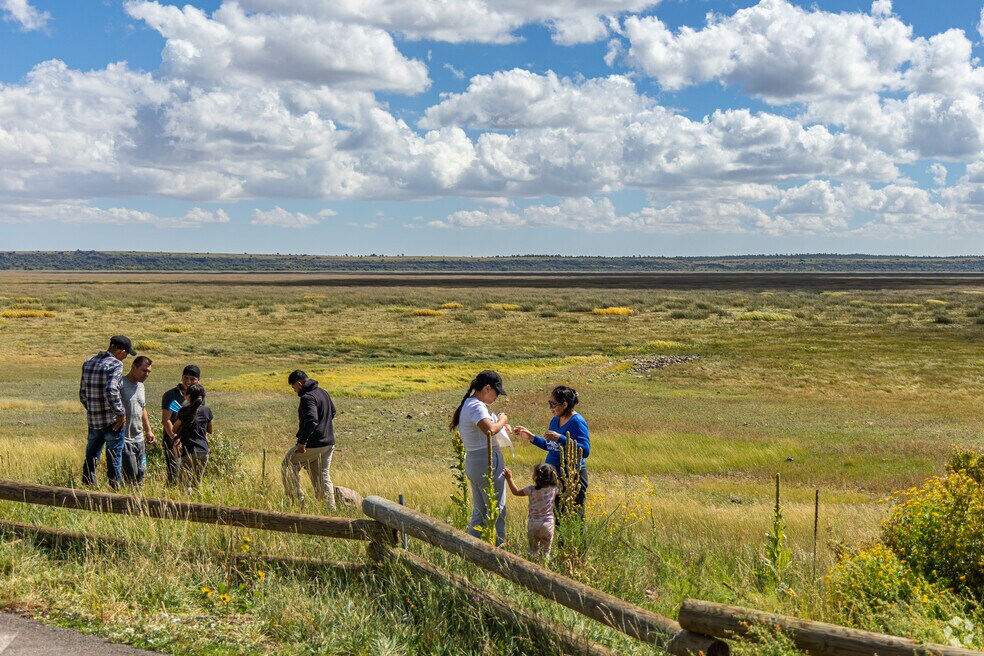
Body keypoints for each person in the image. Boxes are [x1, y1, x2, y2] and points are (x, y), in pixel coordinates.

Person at [449, 370, 510, 547]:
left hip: (473, 461)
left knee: (480, 512)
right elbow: (490, 430)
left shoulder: (469, 404)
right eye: (496, 393)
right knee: (497, 510)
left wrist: (500, 427)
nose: (496, 397)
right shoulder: (476, 406)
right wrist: (503, 419)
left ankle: (470, 549)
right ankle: (499, 552)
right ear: (487, 388)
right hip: (487, 460)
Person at [514, 385, 590, 519]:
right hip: (553, 478)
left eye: (553, 404)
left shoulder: (577, 422)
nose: (551, 408)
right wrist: (531, 437)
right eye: (550, 403)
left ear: (565, 404)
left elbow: (585, 450)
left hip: (572, 478)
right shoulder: (555, 420)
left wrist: (561, 438)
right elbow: (551, 446)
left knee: (574, 518)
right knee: (556, 518)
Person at [79, 336, 136, 489]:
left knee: (91, 457)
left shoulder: (88, 362)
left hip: (94, 420)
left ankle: (87, 487)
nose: (126, 357)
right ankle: (114, 491)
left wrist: (93, 409)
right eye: (126, 353)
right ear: (120, 351)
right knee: (114, 458)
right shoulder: (116, 364)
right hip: (112, 422)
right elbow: (111, 390)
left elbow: (83, 394)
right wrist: (120, 413)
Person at [282, 370, 338, 510]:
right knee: (322, 476)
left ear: (298, 383)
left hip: (312, 445)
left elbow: (312, 419)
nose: (295, 391)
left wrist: (303, 442)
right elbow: (333, 411)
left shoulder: (307, 397)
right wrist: (323, 428)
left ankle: (297, 503)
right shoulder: (323, 392)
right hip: (328, 443)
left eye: (294, 387)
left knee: (287, 466)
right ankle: (329, 509)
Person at [504, 463, 558, 559]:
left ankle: (530, 565)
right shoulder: (554, 489)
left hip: (533, 524)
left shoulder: (530, 490)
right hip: (548, 524)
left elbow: (515, 492)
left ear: (535, 477)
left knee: (533, 550)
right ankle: (544, 566)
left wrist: (509, 478)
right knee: (546, 552)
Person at [161, 365, 200, 485]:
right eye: (185, 378)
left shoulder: (199, 396)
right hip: (174, 442)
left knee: (190, 478)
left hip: (192, 443)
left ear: (198, 380)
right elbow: (166, 420)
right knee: (174, 476)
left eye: (192, 379)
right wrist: (175, 439)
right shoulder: (171, 395)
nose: (188, 381)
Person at [120, 356, 156, 486]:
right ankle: (128, 497)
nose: (146, 374)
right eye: (144, 370)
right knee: (131, 475)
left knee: (141, 472)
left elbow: (143, 409)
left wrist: (149, 431)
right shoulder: (120, 384)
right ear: (133, 367)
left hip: (139, 439)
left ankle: (139, 497)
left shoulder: (141, 386)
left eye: (149, 372)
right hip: (125, 439)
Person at [171, 383, 213, 490]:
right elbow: (210, 430)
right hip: (203, 450)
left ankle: (186, 500)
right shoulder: (207, 410)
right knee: (197, 482)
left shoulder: (184, 411)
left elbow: (174, 429)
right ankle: (198, 499)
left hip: (189, 451)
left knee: (183, 484)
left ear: (188, 396)